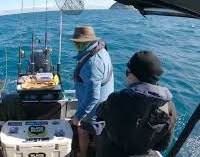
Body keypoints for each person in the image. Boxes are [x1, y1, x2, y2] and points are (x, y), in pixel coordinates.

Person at [96, 50, 177, 157]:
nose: (126, 75)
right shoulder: (170, 108)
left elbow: (99, 113)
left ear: (135, 75)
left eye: (127, 72)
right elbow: (162, 146)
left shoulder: (117, 100)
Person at [70, 26, 114, 157]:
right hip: (105, 104)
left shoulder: (92, 63)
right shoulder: (101, 50)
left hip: (94, 107)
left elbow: (93, 97)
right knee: (98, 132)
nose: (75, 44)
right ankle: (95, 148)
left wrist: (79, 116)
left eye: (77, 42)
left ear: (84, 42)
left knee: (82, 129)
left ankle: (83, 154)